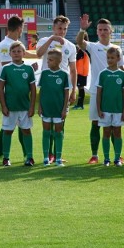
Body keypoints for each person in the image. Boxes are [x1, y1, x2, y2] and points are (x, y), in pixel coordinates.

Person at [76, 15, 124, 164]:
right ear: (96, 32)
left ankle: (117, 156)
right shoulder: (93, 46)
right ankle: (95, 155)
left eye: (105, 29)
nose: (103, 32)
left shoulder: (117, 49)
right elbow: (79, 42)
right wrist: (82, 29)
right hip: (97, 92)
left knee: (114, 125)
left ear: (111, 31)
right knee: (96, 123)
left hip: (115, 93)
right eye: (100, 29)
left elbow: (122, 69)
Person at [0, 15, 38, 162]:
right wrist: (30, 67)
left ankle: (27, 154)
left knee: (22, 126)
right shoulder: (5, 45)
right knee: (7, 127)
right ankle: (2, 155)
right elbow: (9, 64)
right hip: (10, 89)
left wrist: (40, 53)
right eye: (22, 28)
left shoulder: (15, 43)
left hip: (21, 95)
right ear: (19, 28)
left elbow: (28, 55)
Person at [36, 15, 77, 163]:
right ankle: (49, 155)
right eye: (59, 28)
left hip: (62, 88)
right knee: (47, 124)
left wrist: (73, 90)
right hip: (47, 88)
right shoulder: (44, 41)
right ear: (53, 28)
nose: (62, 31)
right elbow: (39, 54)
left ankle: (57, 154)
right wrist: (51, 39)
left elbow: (73, 70)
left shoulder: (70, 46)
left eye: (65, 29)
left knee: (60, 122)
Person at [0, 41, 36, 167]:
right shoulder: (6, 68)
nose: (16, 53)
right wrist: (3, 106)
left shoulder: (28, 69)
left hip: (25, 107)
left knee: (26, 131)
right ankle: (6, 157)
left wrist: (32, 106)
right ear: (9, 53)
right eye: (14, 51)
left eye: (19, 51)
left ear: (24, 53)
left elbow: (33, 89)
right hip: (10, 107)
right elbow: (0, 89)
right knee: (8, 131)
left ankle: (29, 157)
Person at [96, 47, 124, 167]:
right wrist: (99, 109)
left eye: (112, 58)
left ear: (118, 59)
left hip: (118, 110)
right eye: (108, 58)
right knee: (106, 133)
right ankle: (106, 159)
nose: (110, 60)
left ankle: (117, 158)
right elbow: (99, 93)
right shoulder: (103, 74)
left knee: (117, 133)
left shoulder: (122, 75)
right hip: (105, 109)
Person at [37, 49, 71, 167]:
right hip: (46, 108)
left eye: (50, 60)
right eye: (47, 60)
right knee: (46, 132)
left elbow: (66, 93)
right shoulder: (45, 74)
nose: (48, 62)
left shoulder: (64, 75)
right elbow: (41, 91)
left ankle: (58, 158)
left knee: (58, 133)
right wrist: (39, 106)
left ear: (59, 61)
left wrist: (65, 108)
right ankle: (46, 158)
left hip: (58, 109)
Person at [73, 40, 90, 110]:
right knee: (80, 88)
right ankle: (80, 104)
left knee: (81, 88)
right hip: (82, 72)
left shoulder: (82, 51)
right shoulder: (84, 51)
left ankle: (80, 104)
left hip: (81, 72)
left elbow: (75, 58)